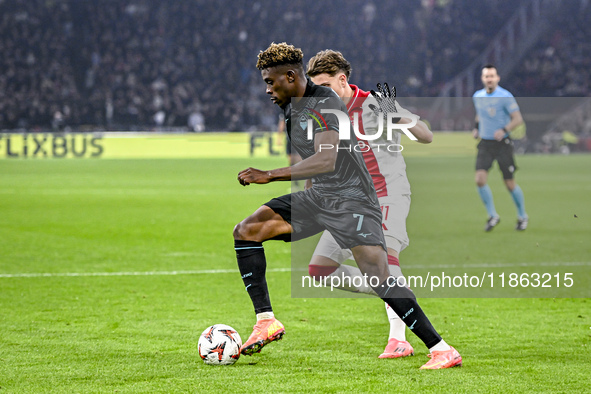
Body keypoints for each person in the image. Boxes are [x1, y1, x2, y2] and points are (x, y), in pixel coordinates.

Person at [234, 42, 461, 369]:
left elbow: (328, 158)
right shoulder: (293, 106)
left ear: (291, 77)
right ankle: (266, 320)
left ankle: (438, 347)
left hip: (360, 200)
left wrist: (270, 175)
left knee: (381, 274)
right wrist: (306, 199)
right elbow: (315, 158)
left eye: (271, 82)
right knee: (248, 231)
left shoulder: (335, 103)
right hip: (323, 196)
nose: (267, 89)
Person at [305, 49, 433, 360]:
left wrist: (397, 115)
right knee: (319, 269)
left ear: (343, 79)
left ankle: (399, 338)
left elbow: (425, 135)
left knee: (385, 260)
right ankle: (394, 290)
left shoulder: (375, 103)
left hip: (388, 194)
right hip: (350, 201)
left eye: (324, 86)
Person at [472, 64, 528, 231]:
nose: (489, 79)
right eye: (486, 76)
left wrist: (504, 130)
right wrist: (476, 127)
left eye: (492, 76)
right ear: (483, 79)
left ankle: (522, 216)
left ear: (497, 78)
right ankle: (492, 216)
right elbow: (479, 114)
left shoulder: (505, 96)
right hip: (485, 144)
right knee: (479, 180)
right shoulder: (477, 96)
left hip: (503, 144)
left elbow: (517, 119)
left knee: (509, 183)